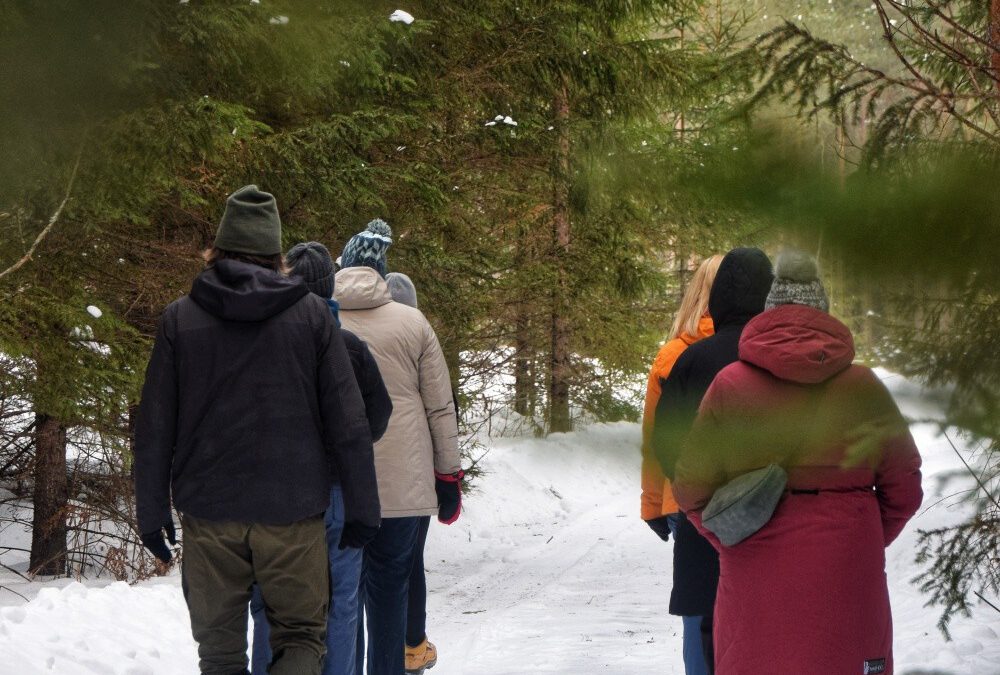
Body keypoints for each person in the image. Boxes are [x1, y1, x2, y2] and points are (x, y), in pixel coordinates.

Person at [133, 186, 380, 675]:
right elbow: (348, 420)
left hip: (209, 510)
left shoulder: (180, 319)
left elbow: (155, 424)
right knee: (302, 639)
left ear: (217, 249)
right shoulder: (312, 317)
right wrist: (363, 510)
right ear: (276, 254)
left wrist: (151, 510)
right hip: (292, 510)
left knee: (220, 654)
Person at [672, 250, 923, 674]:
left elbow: (690, 487)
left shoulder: (730, 386)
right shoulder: (863, 388)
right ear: (822, 312)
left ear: (770, 312)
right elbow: (906, 487)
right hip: (848, 574)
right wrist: (861, 533)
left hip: (753, 573)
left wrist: (732, 534)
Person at [249, 241, 394, 675]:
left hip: (276, 495)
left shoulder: (263, 344)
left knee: (271, 604)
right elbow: (380, 414)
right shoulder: (350, 347)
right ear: (331, 289)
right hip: (336, 493)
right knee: (342, 603)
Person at [335, 221, 462, 675]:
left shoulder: (320, 317)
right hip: (402, 488)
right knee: (389, 592)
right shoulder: (413, 322)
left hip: (341, 486)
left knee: (344, 594)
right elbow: (440, 409)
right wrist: (449, 478)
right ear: (382, 273)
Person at [652, 247, 774, 675]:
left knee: (703, 633)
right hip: (774, 523)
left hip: (702, 522)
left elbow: (664, 440)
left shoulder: (691, 358)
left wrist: (693, 499)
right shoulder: (782, 358)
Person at [639, 254, 722, 675]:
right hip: (748, 497)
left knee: (698, 613)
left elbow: (657, 440)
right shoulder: (751, 347)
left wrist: (653, 504)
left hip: (683, 500)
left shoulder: (673, 354)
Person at [385, 271, 449, 675]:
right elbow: (442, 409)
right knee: (408, 563)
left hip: (358, 473)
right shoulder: (420, 336)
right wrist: (448, 477)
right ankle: (412, 647)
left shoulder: (351, 331)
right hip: (412, 473)